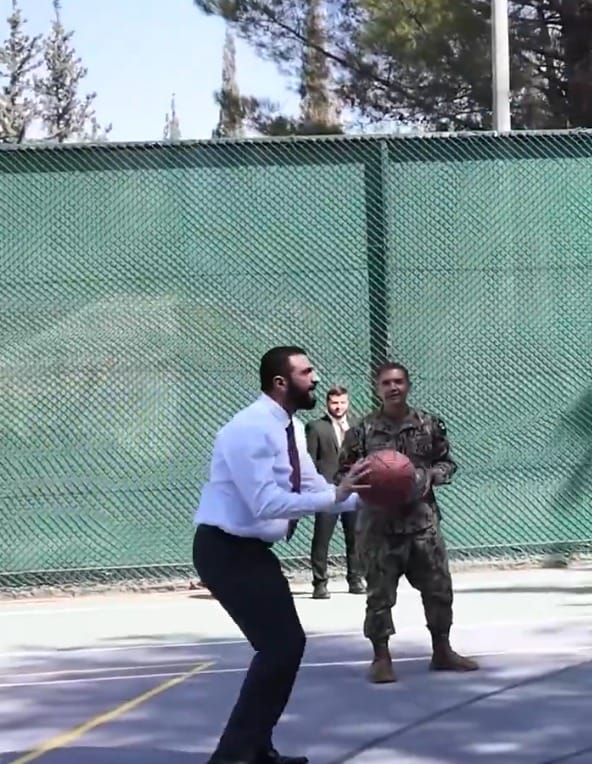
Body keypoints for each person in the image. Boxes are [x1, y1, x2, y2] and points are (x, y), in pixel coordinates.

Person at [192, 346, 369, 764]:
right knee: (280, 646)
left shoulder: (289, 427)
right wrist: (337, 496)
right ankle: (233, 755)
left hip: (249, 551)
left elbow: (314, 489)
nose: (315, 378)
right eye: (306, 372)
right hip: (225, 550)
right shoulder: (248, 429)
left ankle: (254, 748)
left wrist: (369, 499)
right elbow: (265, 504)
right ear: (280, 382)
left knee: (284, 647)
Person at [335, 362, 479, 684]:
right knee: (380, 595)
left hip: (422, 524)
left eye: (398, 381)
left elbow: (447, 463)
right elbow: (342, 472)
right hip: (379, 527)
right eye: (386, 383)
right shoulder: (362, 430)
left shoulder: (429, 424)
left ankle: (442, 651)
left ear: (408, 385)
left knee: (439, 590)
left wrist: (428, 476)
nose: (393, 387)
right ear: (377, 388)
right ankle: (381, 658)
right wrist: (370, 481)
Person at [305, 385, 365, 599]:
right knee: (322, 538)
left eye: (342, 402)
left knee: (355, 537)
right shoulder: (316, 427)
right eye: (334, 403)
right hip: (327, 491)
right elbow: (310, 460)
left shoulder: (358, 426)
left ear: (348, 403)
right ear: (327, 404)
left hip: (354, 490)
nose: (338, 407)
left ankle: (355, 579)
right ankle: (320, 583)